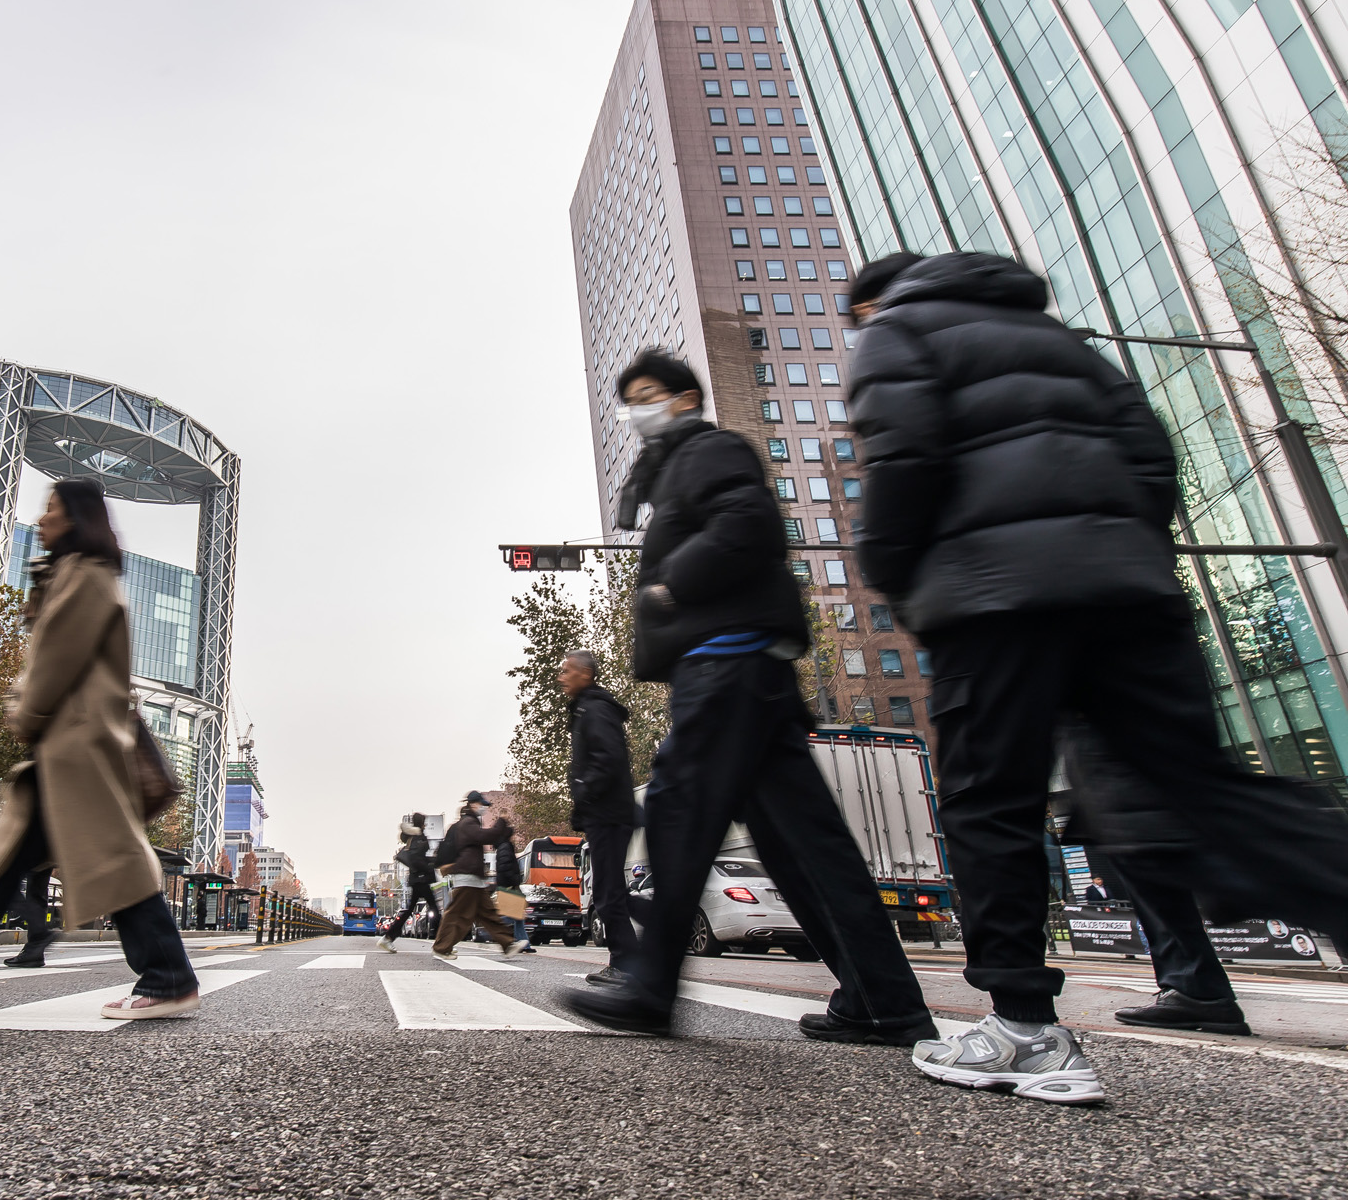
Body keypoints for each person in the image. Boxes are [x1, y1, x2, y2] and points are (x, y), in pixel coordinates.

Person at [847, 250, 1348, 1102]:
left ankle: (1026, 1030)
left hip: (997, 599)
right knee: (1201, 793)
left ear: (875, 300)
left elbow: (902, 461)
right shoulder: (1065, 342)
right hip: (1132, 594)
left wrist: (898, 573)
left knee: (989, 802)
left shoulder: (897, 332)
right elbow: (1154, 458)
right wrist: (1117, 546)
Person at [561, 349, 934, 1049]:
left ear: (681, 398)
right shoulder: (680, 465)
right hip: (748, 677)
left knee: (677, 819)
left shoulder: (708, 449)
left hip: (725, 668)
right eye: (630, 399)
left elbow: (749, 521)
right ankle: (884, 1000)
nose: (636, 411)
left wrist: (675, 584)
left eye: (646, 395)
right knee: (808, 850)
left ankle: (649, 986)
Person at [0, 479, 198, 1019]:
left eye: (50, 510)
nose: (41, 520)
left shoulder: (86, 578)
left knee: (104, 862)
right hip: (69, 750)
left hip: (77, 749)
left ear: (73, 519)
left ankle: (168, 977)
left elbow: (56, 662)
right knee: (19, 868)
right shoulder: (76, 576)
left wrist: (24, 713)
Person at [1061, 728, 1250, 1035]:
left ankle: (1194, 986)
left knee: (1151, 869)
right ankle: (1195, 987)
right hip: (1129, 757)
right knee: (1154, 874)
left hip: (1122, 757)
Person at [562, 649, 636, 984]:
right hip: (605, 813)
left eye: (567, 671)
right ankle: (629, 961)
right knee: (609, 890)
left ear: (586, 674)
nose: (562, 677)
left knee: (607, 893)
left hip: (608, 813)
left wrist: (583, 789)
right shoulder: (587, 709)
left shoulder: (595, 709)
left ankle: (628, 964)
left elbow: (608, 758)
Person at [430, 792, 520, 960]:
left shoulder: (470, 822)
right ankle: (441, 947)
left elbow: (489, 836)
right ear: (472, 804)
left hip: (474, 878)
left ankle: (507, 944)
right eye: (482, 804)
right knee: (457, 915)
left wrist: (503, 827)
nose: (484, 808)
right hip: (467, 877)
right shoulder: (467, 823)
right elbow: (485, 836)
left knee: (488, 914)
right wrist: (500, 821)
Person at [377, 813, 439, 953]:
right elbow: (417, 859)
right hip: (421, 878)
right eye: (425, 822)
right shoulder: (418, 837)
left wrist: (431, 861)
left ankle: (387, 938)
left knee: (410, 910)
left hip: (417, 879)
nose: (426, 824)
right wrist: (430, 865)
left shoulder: (413, 836)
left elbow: (417, 858)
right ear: (422, 823)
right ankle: (441, 943)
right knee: (434, 909)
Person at [1, 865, 58, 968]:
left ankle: (39, 934)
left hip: (31, 849)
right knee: (37, 890)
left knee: (1, 881)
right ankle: (35, 950)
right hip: (49, 851)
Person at [493, 835, 536, 954]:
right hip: (509, 886)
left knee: (518, 917)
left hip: (509, 885)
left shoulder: (503, 847)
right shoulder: (505, 847)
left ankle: (524, 944)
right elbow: (505, 867)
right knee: (509, 916)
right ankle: (499, 935)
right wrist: (513, 882)